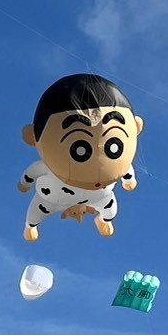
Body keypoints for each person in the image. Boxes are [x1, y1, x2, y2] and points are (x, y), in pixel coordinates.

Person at [18, 73, 142, 241]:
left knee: (110, 211)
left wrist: (129, 181)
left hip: (99, 196)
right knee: (37, 212)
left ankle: (103, 221)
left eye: (114, 146)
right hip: (54, 196)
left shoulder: (122, 167)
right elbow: (31, 173)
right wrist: (25, 183)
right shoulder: (46, 168)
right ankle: (30, 226)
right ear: (34, 137)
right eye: (80, 149)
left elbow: (127, 170)